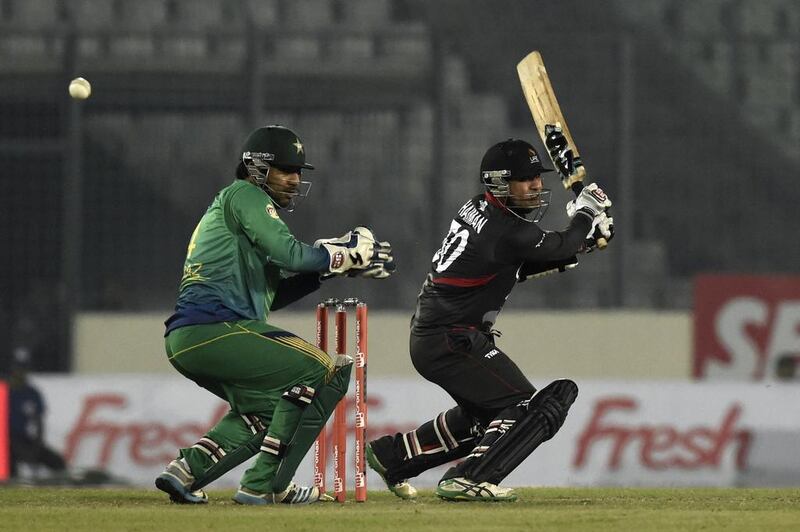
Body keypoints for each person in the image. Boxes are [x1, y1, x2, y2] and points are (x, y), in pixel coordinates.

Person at [365, 133, 613, 502]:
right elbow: (553, 245)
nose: (536, 186)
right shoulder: (508, 230)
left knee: (487, 415)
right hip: (452, 337)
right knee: (527, 408)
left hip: (436, 335)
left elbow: (516, 265)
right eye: (525, 179)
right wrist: (586, 215)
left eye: (537, 177)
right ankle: (468, 478)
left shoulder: (479, 208)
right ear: (499, 182)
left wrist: (583, 241)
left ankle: (394, 456)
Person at [155, 125, 394, 506]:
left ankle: (186, 470)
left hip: (198, 337)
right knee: (322, 370)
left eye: (298, 171)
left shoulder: (239, 213)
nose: (295, 179)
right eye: (286, 170)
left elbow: (274, 295)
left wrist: (329, 267)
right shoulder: (244, 195)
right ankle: (268, 485)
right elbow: (291, 255)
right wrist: (341, 254)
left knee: (267, 411)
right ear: (258, 169)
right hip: (214, 329)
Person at [7, 347, 68, 480]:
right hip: (5, 442)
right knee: (8, 469)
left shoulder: (32, 393)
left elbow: (39, 423)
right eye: (17, 368)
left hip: (23, 440)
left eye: (24, 368)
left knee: (57, 462)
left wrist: (35, 448)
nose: (20, 372)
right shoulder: (4, 391)